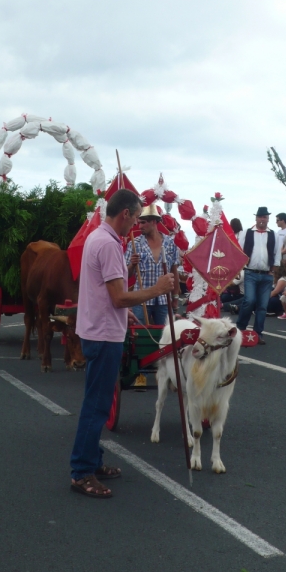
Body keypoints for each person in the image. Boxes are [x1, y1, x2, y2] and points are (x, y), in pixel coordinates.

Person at [71, 189, 174, 498]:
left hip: (97, 329)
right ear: (125, 214)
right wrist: (156, 289)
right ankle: (81, 472)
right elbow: (118, 296)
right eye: (136, 218)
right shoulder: (109, 245)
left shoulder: (99, 238)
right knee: (96, 406)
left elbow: (109, 294)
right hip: (103, 334)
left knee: (97, 403)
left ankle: (91, 461)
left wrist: (127, 309)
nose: (136, 225)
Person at [125, 203, 180, 325]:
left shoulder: (170, 243)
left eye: (143, 222)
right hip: (141, 300)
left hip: (164, 300)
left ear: (154, 222)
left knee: (167, 337)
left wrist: (175, 297)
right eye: (139, 222)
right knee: (141, 336)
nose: (140, 226)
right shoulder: (134, 243)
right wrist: (132, 265)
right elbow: (125, 275)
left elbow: (174, 271)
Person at [236, 207, 280, 345]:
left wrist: (274, 270)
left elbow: (277, 253)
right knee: (249, 301)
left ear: (268, 219)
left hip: (266, 274)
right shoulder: (246, 233)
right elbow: (239, 251)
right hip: (250, 272)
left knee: (262, 305)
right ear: (256, 218)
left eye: (265, 217)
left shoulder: (274, 234)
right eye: (260, 217)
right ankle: (241, 329)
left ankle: (257, 333)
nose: (262, 219)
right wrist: (239, 268)